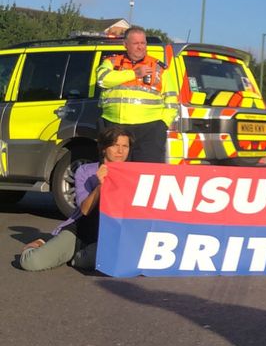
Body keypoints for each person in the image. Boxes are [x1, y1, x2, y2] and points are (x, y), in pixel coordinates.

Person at [19, 126, 132, 271]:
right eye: (115, 145)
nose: (120, 151)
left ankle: (76, 257)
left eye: (125, 146)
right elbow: (85, 209)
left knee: (114, 259)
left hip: (111, 235)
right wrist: (100, 187)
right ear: (103, 148)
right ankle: (44, 243)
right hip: (81, 230)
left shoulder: (135, 174)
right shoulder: (86, 171)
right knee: (32, 262)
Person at [96, 26, 178, 163]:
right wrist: (134, 73)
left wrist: (163, 123)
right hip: (115, 125)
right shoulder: (111, 62)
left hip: (149, 129)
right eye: (136, 43)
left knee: (147, 173)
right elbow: (102, 79)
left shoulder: (160, 68)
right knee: (114, 173)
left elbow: (172, 98)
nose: (141, 47)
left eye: (143, 43)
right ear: (125, 45)